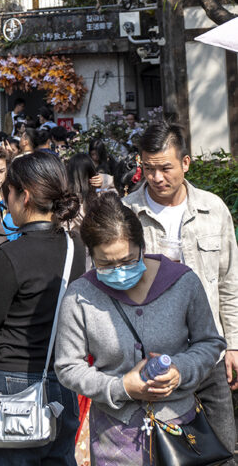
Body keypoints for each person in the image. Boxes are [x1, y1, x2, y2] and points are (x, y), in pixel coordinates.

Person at [55, 192, 226, 466]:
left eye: (127, 260)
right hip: (114, 439)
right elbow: (67, 366)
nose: (118, 270)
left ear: (142, 246)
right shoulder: (80, 295)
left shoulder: (182, 283)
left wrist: (180, 371)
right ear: (91, 256)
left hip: (180, 431)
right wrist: (120, 387)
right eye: (106, 264)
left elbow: (210, 343)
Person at [0, 151, 87, 466]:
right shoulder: (75, 247)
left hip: (7, 385)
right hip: (57, 383)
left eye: (9, 191)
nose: (6, 200)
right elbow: (31, 272)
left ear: (25, 196)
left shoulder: (11, 258)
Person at [123, 122, 238, 458]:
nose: (157, 177)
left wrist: (233, 345)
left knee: (224, 450)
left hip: (208, 353)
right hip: (150, 359)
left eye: (165, 168)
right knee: (162, 453)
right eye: (148, 168)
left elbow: (229, 282)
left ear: (185, 163)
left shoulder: (212, 209)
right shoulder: (127, 213)